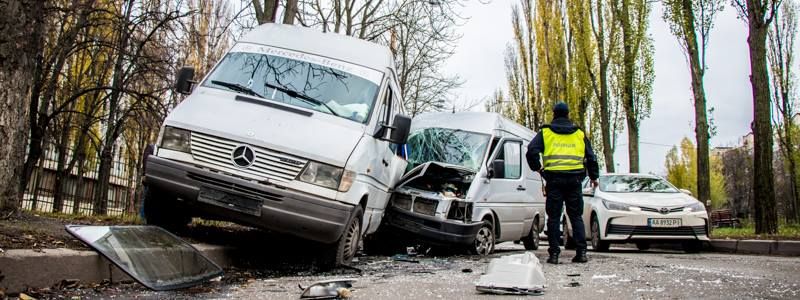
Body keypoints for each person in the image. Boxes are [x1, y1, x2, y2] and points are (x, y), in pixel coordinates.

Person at [525, 102, 599, 264]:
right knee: (576, 216)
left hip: (554, 181)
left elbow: (531, 151)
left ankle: (554, 255)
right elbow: (592, 157)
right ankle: (581, 253)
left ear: (554, 114)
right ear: (567, 114)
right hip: (575, 181)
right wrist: (594, 177)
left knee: (553, 217)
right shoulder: (578, 134)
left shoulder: (546, 133)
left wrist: (538, 169)